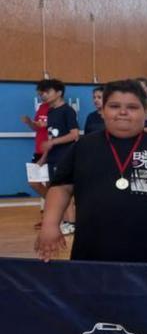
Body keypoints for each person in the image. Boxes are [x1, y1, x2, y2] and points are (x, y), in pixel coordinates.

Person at [35, 79, 147, 263]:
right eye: (114, 106)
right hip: (92, 252)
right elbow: (61, 187)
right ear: (103, 112)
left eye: (132, 107)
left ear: (146, 113)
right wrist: (50, 224)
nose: (123, 112)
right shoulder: (84, 147)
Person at [42, 78, 80, 235]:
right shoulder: (50, 112)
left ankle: (71, 223)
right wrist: (43, 157)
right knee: (55, 190)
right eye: (41, 93)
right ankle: (64, 221)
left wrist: (53, 143)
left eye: (47, 92)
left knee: (65, 189)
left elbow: (74, 135)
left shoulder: (68, 111)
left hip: (65, 157)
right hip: (52, 157)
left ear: (59, 93)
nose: (43, 95)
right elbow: (50, 138)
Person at [21, 81, 51, 226]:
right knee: (33, 182)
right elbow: (37, 127)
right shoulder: (41, 108)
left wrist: (45, 124)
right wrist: (30, 123)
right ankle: (55, 208)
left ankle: (52, 217)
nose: (42, 97)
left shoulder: (60, 110)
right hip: (38, 151)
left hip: (51, 151)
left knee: (53, 185)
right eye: (39, 95)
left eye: (43, 93)